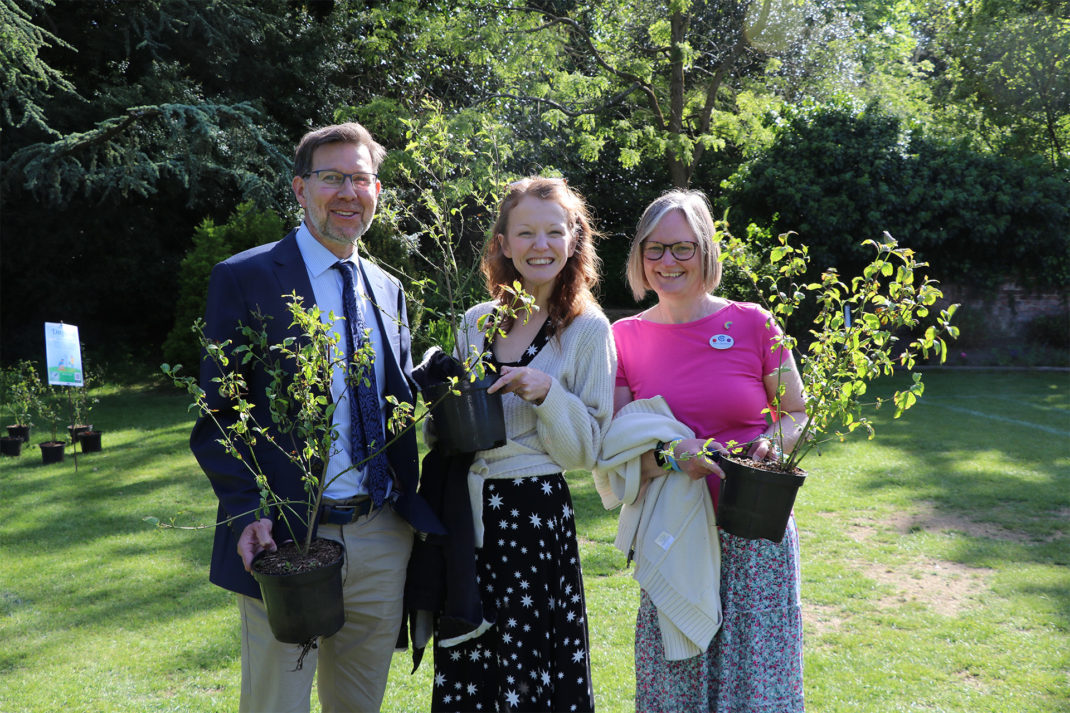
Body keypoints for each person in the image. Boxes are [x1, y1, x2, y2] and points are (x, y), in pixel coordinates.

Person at [190, 121, 443, 713]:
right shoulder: (246, 278)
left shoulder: (388, 288)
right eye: (333, 178)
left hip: (382, 534)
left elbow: (394, 400)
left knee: (359, 703)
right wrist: (248, 512)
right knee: (276, 701)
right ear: (301, 189)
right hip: (285, 540)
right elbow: (219, 412)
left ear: (377, 190)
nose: (349, 192)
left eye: (361, 178)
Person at [606, 189, 808, 712]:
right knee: (677, 688)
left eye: (682, 248)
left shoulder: (753, 322)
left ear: (706, 252)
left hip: (753, 533)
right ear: (639, 257)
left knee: (756, 688)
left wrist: (771, 443)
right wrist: (674, 456)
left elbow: (797, 413)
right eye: (655, 249)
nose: (667, 261)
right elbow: (619, 449)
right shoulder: (622, 338)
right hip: (673, 536)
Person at [428, 177, 616, 712]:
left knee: (530, 667)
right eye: (526, 232)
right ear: (503, 244)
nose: (540, 245)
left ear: (574, 239)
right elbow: (454, 426)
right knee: (470, 662)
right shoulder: (476, 322)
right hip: (468, 514)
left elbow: (587, 451)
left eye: (554, 232)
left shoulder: (586, 330)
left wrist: (548, 392)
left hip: (532, 517)